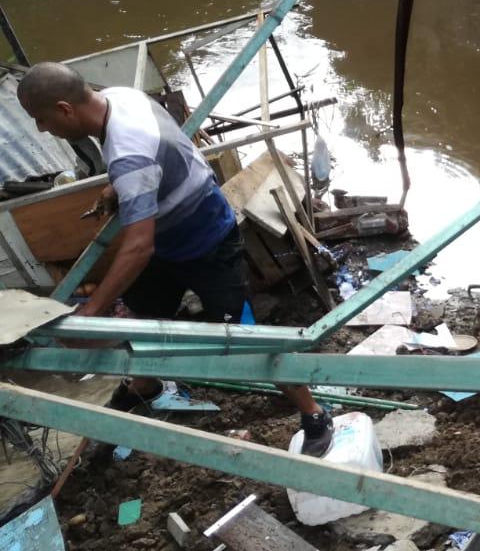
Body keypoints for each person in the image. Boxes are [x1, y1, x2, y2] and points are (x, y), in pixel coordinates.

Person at [17, 62, 334, 457]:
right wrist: (118, 188)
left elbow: (138, 246)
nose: (42, 129)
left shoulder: (129, 155)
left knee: (245, 337)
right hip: (168, 239)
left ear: (65, 109)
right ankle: (145, 386)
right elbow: (157, 156)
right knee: (142, 316)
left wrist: (91, 313)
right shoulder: (120, 98)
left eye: (41, 119)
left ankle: (314, 412)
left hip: (208, 242)